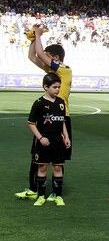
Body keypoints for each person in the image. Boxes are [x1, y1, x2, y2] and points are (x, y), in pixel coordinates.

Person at [17, 25, 73, 202]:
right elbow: (33, 56)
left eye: (48, 56)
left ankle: (56, 192)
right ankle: (34, 189)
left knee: (58, 158)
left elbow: (40, 54)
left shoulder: (63, 69)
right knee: (38, 154)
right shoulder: (53, 72)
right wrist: (33, 40)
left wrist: (39, 34)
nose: (45, 58)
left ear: (56, 58)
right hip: (47, 117)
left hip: (61, 117)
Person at [27, 73, 71, 206]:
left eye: (59, 87)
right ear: (46, 87)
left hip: (58, 141)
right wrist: (40, 138)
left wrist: (66, 137)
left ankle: (58, 196)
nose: (57, 90)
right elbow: (31, 123)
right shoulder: (39, 103)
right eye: (54, 87)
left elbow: (62, 121)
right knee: (42, 168)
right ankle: (41, 196)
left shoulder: (61, 102)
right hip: (44, 142)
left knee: (57, 168)